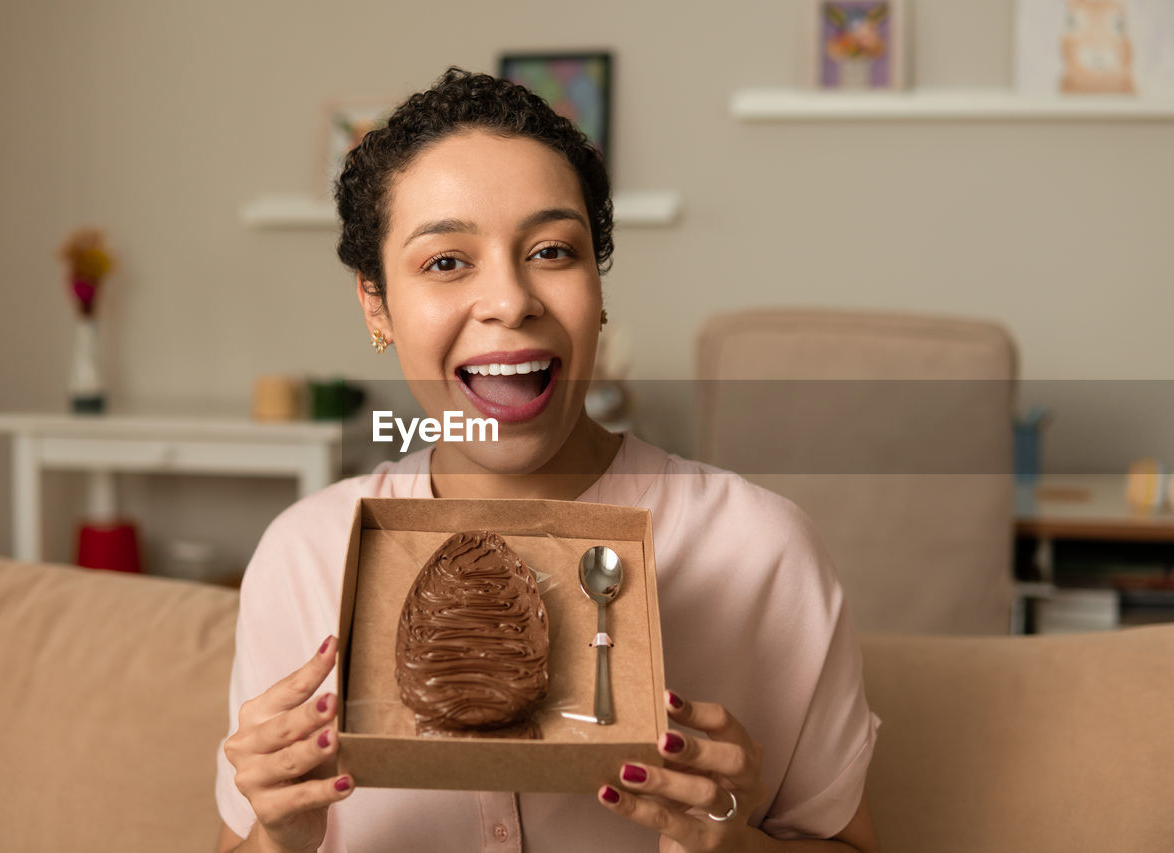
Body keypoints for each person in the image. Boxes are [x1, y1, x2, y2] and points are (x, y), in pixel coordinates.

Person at [215, 68, 880, 853]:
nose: (510, 299)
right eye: (445, 262)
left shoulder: (764, 549)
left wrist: (728, 843)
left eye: (551, 250)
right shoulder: (304, 556)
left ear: (597, 288)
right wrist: (277, 834)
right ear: (376, 304)